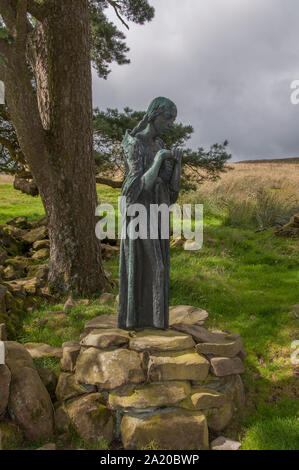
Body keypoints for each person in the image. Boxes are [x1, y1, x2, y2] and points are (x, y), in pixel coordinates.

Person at [118, 97, 183, 330]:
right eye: (168, 118)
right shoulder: (134, 143)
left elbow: (172, 191)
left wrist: (177, 166)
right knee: (156, 267)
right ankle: (141, 321)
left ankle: (155, 322)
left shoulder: (159, 145)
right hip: (138, 214)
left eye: (174, 119)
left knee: (158, 267)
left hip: (158, 212)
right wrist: (157, 161)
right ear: (154, 115)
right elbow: (136, 187)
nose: (171, 123)